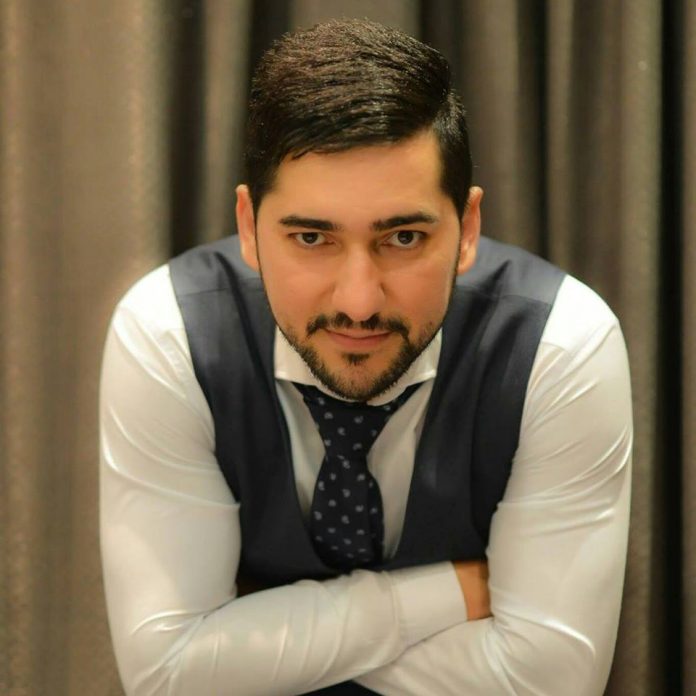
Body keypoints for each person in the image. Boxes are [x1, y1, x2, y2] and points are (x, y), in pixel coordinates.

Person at [99, 18, 632, 696]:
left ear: (467, 229)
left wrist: (246, 639)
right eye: (312, 238)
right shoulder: (169, 333)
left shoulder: (561, 344)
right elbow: (166, 677)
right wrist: (452, 594)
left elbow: (550, 683)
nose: (358, 301)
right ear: (249, 229)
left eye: (403, 238)